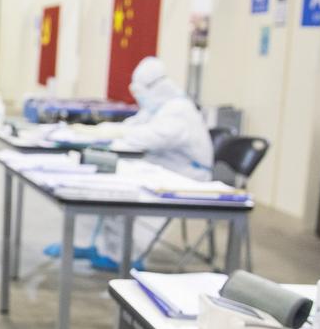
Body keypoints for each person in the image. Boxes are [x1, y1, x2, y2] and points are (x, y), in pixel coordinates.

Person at [48, 57, 214, 270]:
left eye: (141, 91)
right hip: (160, 168)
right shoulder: (156, 108)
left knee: (119, 191)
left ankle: (122, 256)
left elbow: (151, 137)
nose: (139, 97)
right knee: (99, 184)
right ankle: (85, 243)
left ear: (157, 86)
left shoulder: (179, 110)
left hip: (186, 177)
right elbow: (133, 125)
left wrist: (116, 132)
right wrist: (102, 130)